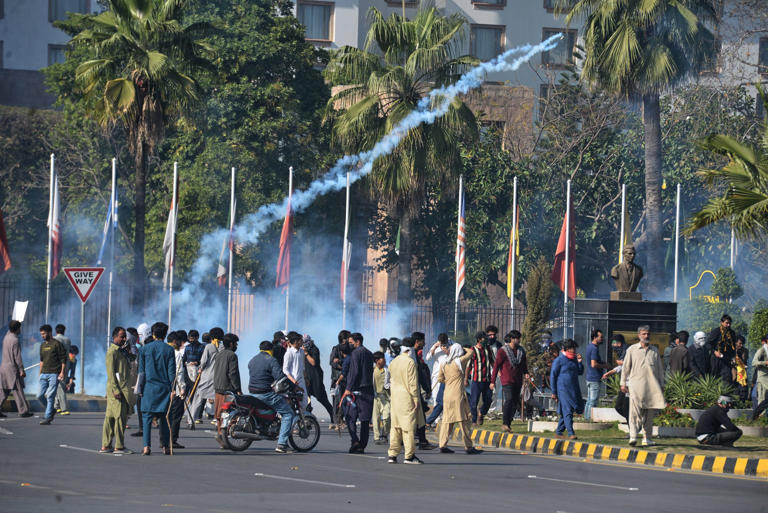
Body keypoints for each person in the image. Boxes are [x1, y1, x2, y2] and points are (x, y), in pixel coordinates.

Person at [620, 325, 665, 446]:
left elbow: (660, 369)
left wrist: (662, 384)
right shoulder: (632, 349)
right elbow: (625, 368)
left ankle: (647, 438)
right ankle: (633, 437)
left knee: (649, 415)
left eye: (648, 334)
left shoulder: (654, 350)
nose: (646, 336)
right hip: (636, 387)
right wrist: (623, 383)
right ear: (639, 335)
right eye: (644, 334)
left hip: (652, 388)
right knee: (634, 413)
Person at [248, 340, 294, 453]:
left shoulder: (252, 360)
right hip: (265, 393)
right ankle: (282, 444)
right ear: (271, 350)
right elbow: (280, 376)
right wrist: (293, 386)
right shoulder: (271, 360)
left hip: (253, 392)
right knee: (288, 414)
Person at [137, 322, 175, 455]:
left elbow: (141, 372)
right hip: (164, 389)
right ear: (165, 335)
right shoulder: (169, 350)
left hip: (148, 388)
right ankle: (165, 446)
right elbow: (172, 373)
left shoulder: (143, 350)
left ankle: (146, 447)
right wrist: (173, 389)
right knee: (165, 418)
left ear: (153, 334)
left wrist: (139, 389)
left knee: (147, 417)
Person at [437, 343, 482, 455]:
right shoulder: (458, 362)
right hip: (458, 395)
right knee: (464, 420)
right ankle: (468, 446)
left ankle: (442, 445)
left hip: (447, 395)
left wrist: (449, 381)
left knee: (447, 421)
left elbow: (440, 378)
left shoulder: (444, 363)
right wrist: (463, 347)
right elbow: (471, 352)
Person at [387, 341, 423, 464]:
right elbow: (413, 384)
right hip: (406, 398)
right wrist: (416, 399)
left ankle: (392, 454)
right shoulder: (410, 362)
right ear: (410, 350)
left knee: (395, 427)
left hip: (395, 398)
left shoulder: (393, 362)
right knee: (408, 428)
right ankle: (409, 456)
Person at [101, 327, 133, 454]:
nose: (124, 339)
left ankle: (106, 445)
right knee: (119, 417)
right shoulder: (112, 352)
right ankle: (118, 446)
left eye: (125, 336)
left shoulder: (121, 351)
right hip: (117, 390)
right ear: (114, 337)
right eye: (121, 336)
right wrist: (116, 390)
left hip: (122, 388)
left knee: (110, 417)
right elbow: (111, 373)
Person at [342, 332, 374, 453]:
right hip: (368, 390)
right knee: (365, 420)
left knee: (350, 417)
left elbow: (355, 372)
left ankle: (355, 440)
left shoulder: (356, 353)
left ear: (357, 342)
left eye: (351, 343)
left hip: (356, 391)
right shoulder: (369, 353)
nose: (349, 345)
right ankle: (361, 445)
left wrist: (348, 388)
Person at [490, 330, 529, 431]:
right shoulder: (503, 351)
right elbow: (496, 366)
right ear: (512, 339)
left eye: (519, 338)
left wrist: (526, 373)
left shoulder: (521, 351)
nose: (518, 340)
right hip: (507, 380)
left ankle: (509, 422)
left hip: (518, 380)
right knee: (509, 399)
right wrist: (492, 381)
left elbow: (524, 364)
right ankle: (505, 423)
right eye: (517, 338)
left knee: (515, 401)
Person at [550, 339, 584, 439]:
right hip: (563, 389)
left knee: (568, 411)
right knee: (568, 410)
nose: (573, 350)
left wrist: (580, 362)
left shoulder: (574, 360)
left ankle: (559, 432)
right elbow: (553, 376)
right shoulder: (559, 360)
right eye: (571, 348)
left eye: (574, 348)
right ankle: (571, 433)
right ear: (565, 349)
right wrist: (554, 392)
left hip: (574, 389)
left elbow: (580, 372)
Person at [0, 321, 32, 417]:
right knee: (18, 390)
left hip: (3, 367)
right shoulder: (15, 340)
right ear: (17, 329)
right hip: (12, 369)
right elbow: (17, 357)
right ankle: (23, 411)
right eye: (19, 328)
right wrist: (21, 369)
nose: (20, 330)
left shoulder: (6, 337)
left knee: (4, 390)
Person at [189, 328, 221, 427]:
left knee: (198, 398)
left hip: (207, 376)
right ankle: (217, 420)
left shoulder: (209, 347)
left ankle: (191, 421)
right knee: (218, 400)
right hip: (219, 377)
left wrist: (200, 369)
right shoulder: (223, 347)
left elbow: (203, 362)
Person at [213, 333, 241, 440]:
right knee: (231, 414)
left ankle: (220, 434)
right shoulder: (232, 356)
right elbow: (232, 374)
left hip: (218, 388)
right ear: (231, 344)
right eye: (236, 344)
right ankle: (227, 436)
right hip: (228, 390)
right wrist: (238, 389)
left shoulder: (218, 354)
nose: (236, 346)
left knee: (220, 414)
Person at [37, 324, 66, 425]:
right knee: (40, 395)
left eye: (44, 334)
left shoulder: (56, 344)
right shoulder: (42, 345)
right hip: (44, 374)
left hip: (54, 373)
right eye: (41, 334)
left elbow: (63, 359)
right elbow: (41, 361)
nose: (43, 336)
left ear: (49, 332)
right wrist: (40, 373)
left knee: (50, 396)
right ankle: (52, 410)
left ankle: (47, 417)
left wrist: (62, 372)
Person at [410, 332, 435, 449]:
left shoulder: (413, 354)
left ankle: (422, 440)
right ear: (417, 341)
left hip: (414, 390)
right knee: (417, 417)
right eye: (423, 341)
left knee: (420, 417)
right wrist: (426, 388)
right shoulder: (411, 355)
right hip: (411, 391)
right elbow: (418, 374)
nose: (424, 344)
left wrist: (426, 388)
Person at [302, 334, 334, 420]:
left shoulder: (314, 349)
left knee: (321, 398)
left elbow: (313, 363)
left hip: (316, 378)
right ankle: (308, 419)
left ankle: (333, 416)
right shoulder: (301, 351)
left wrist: (306, 353)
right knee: (307, 400)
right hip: (306, 379)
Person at [466, 331, 494, 426]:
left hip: (487, 380)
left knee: (489, 399)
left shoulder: (488, 349)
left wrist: (498, 372)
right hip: (476, 380)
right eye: (484, 338)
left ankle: (481, 413)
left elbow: (492, 362)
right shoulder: (473, 350)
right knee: (474, 402)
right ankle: (474, 421)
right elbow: (468, 366)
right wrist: (466, 379)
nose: (486, 340)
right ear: (479, 339)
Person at [583, 329, 610, 422]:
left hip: (589, 377)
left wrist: (602, 362)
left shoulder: (589, 347)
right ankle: (589, 419)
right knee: (593, 400)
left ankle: (586, 418)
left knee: (589, 400)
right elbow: (593, 364)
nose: (602, 339)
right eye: (600, 337)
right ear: (595, 338)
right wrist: (605, 366)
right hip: (594, 378)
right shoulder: (594, 348)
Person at [425, 334, 450, 427]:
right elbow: (428, 358)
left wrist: (447, 351)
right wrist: (434, 348)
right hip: (436, 376)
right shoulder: (436, 346)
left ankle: (444, 417)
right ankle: (436, 420)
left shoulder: (452, 344)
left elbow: (456, 356)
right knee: (436, 397)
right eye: (441, 343)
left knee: (445, 397)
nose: (443, 345)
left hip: (448, 375)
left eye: (445, 343)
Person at [168, 331, 187, 449]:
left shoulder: (164, 351)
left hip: (164, 388)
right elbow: (179, 373)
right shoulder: (177, 354)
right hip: (175, 388)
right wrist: (182, 388)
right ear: (175, 341)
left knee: (167, 414)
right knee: (176, 415)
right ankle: (172, 439)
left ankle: (164, 439)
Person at [329, 330, 351, 428]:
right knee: (337, 400)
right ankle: (337, 420)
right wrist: (342, 365)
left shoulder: (350, 349)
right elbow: (332, 362)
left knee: (346, 400)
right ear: (343, 340)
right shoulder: (336, 349)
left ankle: (342, 418)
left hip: (347, 377)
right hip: (337, 378)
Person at [707, 314, 737, 385]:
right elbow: (707, 344)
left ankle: (725, 394)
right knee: (714, 378)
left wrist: (733, 357)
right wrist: (714, 352)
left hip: (726, 359)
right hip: (716, 359)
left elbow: (733, 348)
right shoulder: (716, 331)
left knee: (727, 378)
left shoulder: (732, 333)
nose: (728, 325)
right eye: (727, 323)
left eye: (729, 323)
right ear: (722, 322)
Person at [283, 332, 307, 411]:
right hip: (293, 382)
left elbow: (303, 367)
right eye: (301, 340)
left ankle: (301, 419)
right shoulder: (289, 353)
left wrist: (305, 378)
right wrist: (293, 380)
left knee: (304, 401)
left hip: (301, 380)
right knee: (292, 402)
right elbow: (285, 369)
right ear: (296, 341)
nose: (302, 342)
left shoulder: (302, 352)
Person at [372, 351, 391, 445]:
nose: (384, 360)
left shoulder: (387, 370)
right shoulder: (372, 371)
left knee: (387, 416)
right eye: (382, 358)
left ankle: (384, 434)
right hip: (375, 398)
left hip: (386, 397)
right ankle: (377, 437)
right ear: (377, 361)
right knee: (376, 419)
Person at [53, 324, 72, 416]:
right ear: (64, 331)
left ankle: (64, 408)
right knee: (60, 385)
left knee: (59, 386)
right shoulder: (68, 340)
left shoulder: (54, 339)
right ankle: (57, 406)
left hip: (57, 364)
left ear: (56, 331)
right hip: (66, 364)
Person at [751, 335, 768, 420]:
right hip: (762, 377)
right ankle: (758, 417)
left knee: (765, 398)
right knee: (762, 397)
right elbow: (754, 362)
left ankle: (759, 416)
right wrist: (765, 362)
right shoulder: (761, 350)